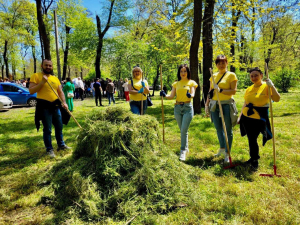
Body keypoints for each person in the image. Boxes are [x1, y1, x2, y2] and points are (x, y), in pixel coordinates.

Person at [238, 67, 280, 169]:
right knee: (251, 138)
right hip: (248, 116)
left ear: (261, 75)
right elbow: (245, 103)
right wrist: (240, 117)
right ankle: (254, 159)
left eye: (256, 75)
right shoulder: (249, 89)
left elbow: (277, 98)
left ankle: (254, 158)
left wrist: (272, 86)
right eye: (251, 76)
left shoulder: (266, 86)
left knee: (255, 137)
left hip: (260, 116)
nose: (254, 77)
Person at [29, 59, 71, 158]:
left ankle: (61, 145)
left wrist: (64, 102)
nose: (48, 67)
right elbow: (31, 91)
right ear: (42, 65)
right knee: (47, 129)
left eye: (50, 66)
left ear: (52, 67)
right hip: (44, 107)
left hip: (56, 106)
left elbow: (60, 92)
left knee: (59, 127)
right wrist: (42, 82)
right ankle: (49, 149)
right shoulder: (36, 76)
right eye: (46, 65)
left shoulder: (55, 78)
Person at [160, 64, 198, 161]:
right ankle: (186, 147)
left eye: (185, 71)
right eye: (181, 71)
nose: (183, 73)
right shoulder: (176, 84)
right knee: (182, 130)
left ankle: (183, 151)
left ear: (188, 72)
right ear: (179, 73)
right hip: (177, 108)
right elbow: (171, 96)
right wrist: (164, 95)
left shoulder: (191, 82)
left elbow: (193, 93)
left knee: (183, 130)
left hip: (187, 108)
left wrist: (190, 95)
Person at [205, 55, 238, 163]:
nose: (221, 65)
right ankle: (222, 149)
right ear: (216, 65)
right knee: (218, 128)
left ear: (227, 63)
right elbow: (210, 92)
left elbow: (233, 91)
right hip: (215, 104)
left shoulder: (231, 75)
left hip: (226, 104)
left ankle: (228, 154)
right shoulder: (213, 76)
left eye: (223, 62)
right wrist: (207, 104)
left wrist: (220, 90)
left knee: (228, 129)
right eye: (219, 63)